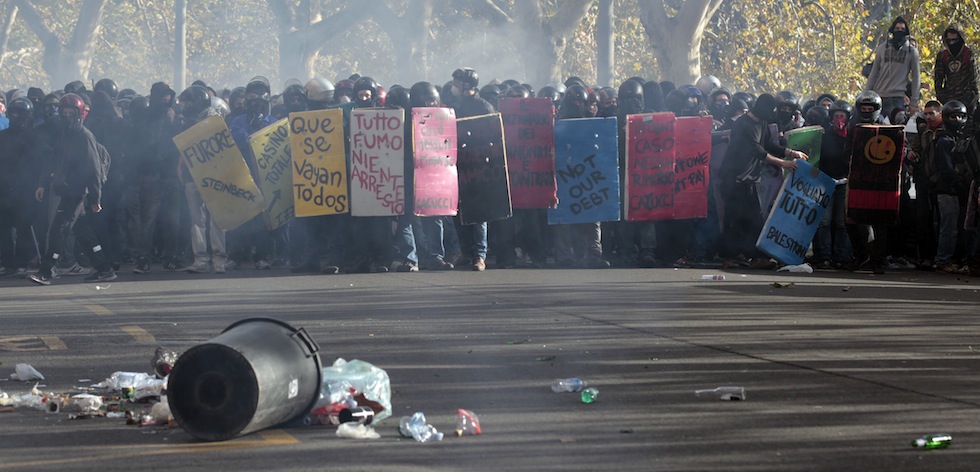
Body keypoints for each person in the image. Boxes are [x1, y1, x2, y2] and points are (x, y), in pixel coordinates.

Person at [30, 94, 116, 285]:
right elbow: (53, 160)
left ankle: (47, 270)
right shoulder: (65, 135)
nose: (67, 116)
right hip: (65, 189)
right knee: (83, 232)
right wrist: (43, 183)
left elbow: (93, 169)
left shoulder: (84, 137)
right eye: (64, 112)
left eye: (71, 112)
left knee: (58, 230)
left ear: (80, 114)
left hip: (76, 192)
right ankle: (104, 268)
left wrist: (95, 198)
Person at [718, 93, 807, 268]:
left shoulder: (763, 122)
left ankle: (756, 256)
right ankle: (729, 256)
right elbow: (757, 150)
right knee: (733, 219)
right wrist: (783, 163)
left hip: (749, 178)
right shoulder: (742, 124)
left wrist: (790, 152)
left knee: (753, 219)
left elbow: (768, 144)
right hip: (733, 177)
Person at [450, 67, 494, 271]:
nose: (454, 87)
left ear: (467, 86)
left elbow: (492, 137)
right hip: (457, 163)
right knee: (458, 212)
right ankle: (466, 252)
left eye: (457, 83)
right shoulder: (454, 106)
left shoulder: (484, 107)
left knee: (478, 214)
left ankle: (480, 255)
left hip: (478, 166)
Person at [933, 100, 971, 273]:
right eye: (953, 116)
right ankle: (942, 260)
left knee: (960, 228)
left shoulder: (962, 140)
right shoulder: (943, 141)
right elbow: (945, 168)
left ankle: (954, 258)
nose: (957, 119)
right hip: (948, 191)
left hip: (960, 189)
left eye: (961, 116)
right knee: (949, 228)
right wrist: (957, 183)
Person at [864, 16, 921, 118]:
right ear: (892, 30)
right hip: (879, 95)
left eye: (902, 29)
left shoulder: (912, 52)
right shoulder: (882, 48)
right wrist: (865, 95)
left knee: (896, 129)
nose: (900, 31)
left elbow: (916, 77)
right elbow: (874, 73)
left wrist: (914, 102)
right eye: (897, 29)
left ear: (907, 32)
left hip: (898, 98)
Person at [934, 24, 978, 115]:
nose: (952, 43)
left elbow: (974, 80)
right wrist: (943, 98)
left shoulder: (968, 54)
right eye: (949, 40)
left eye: (954, 40)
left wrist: (969, 98)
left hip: (968, 101)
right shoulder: (943, 56)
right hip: (949, 101)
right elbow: (938, 80)